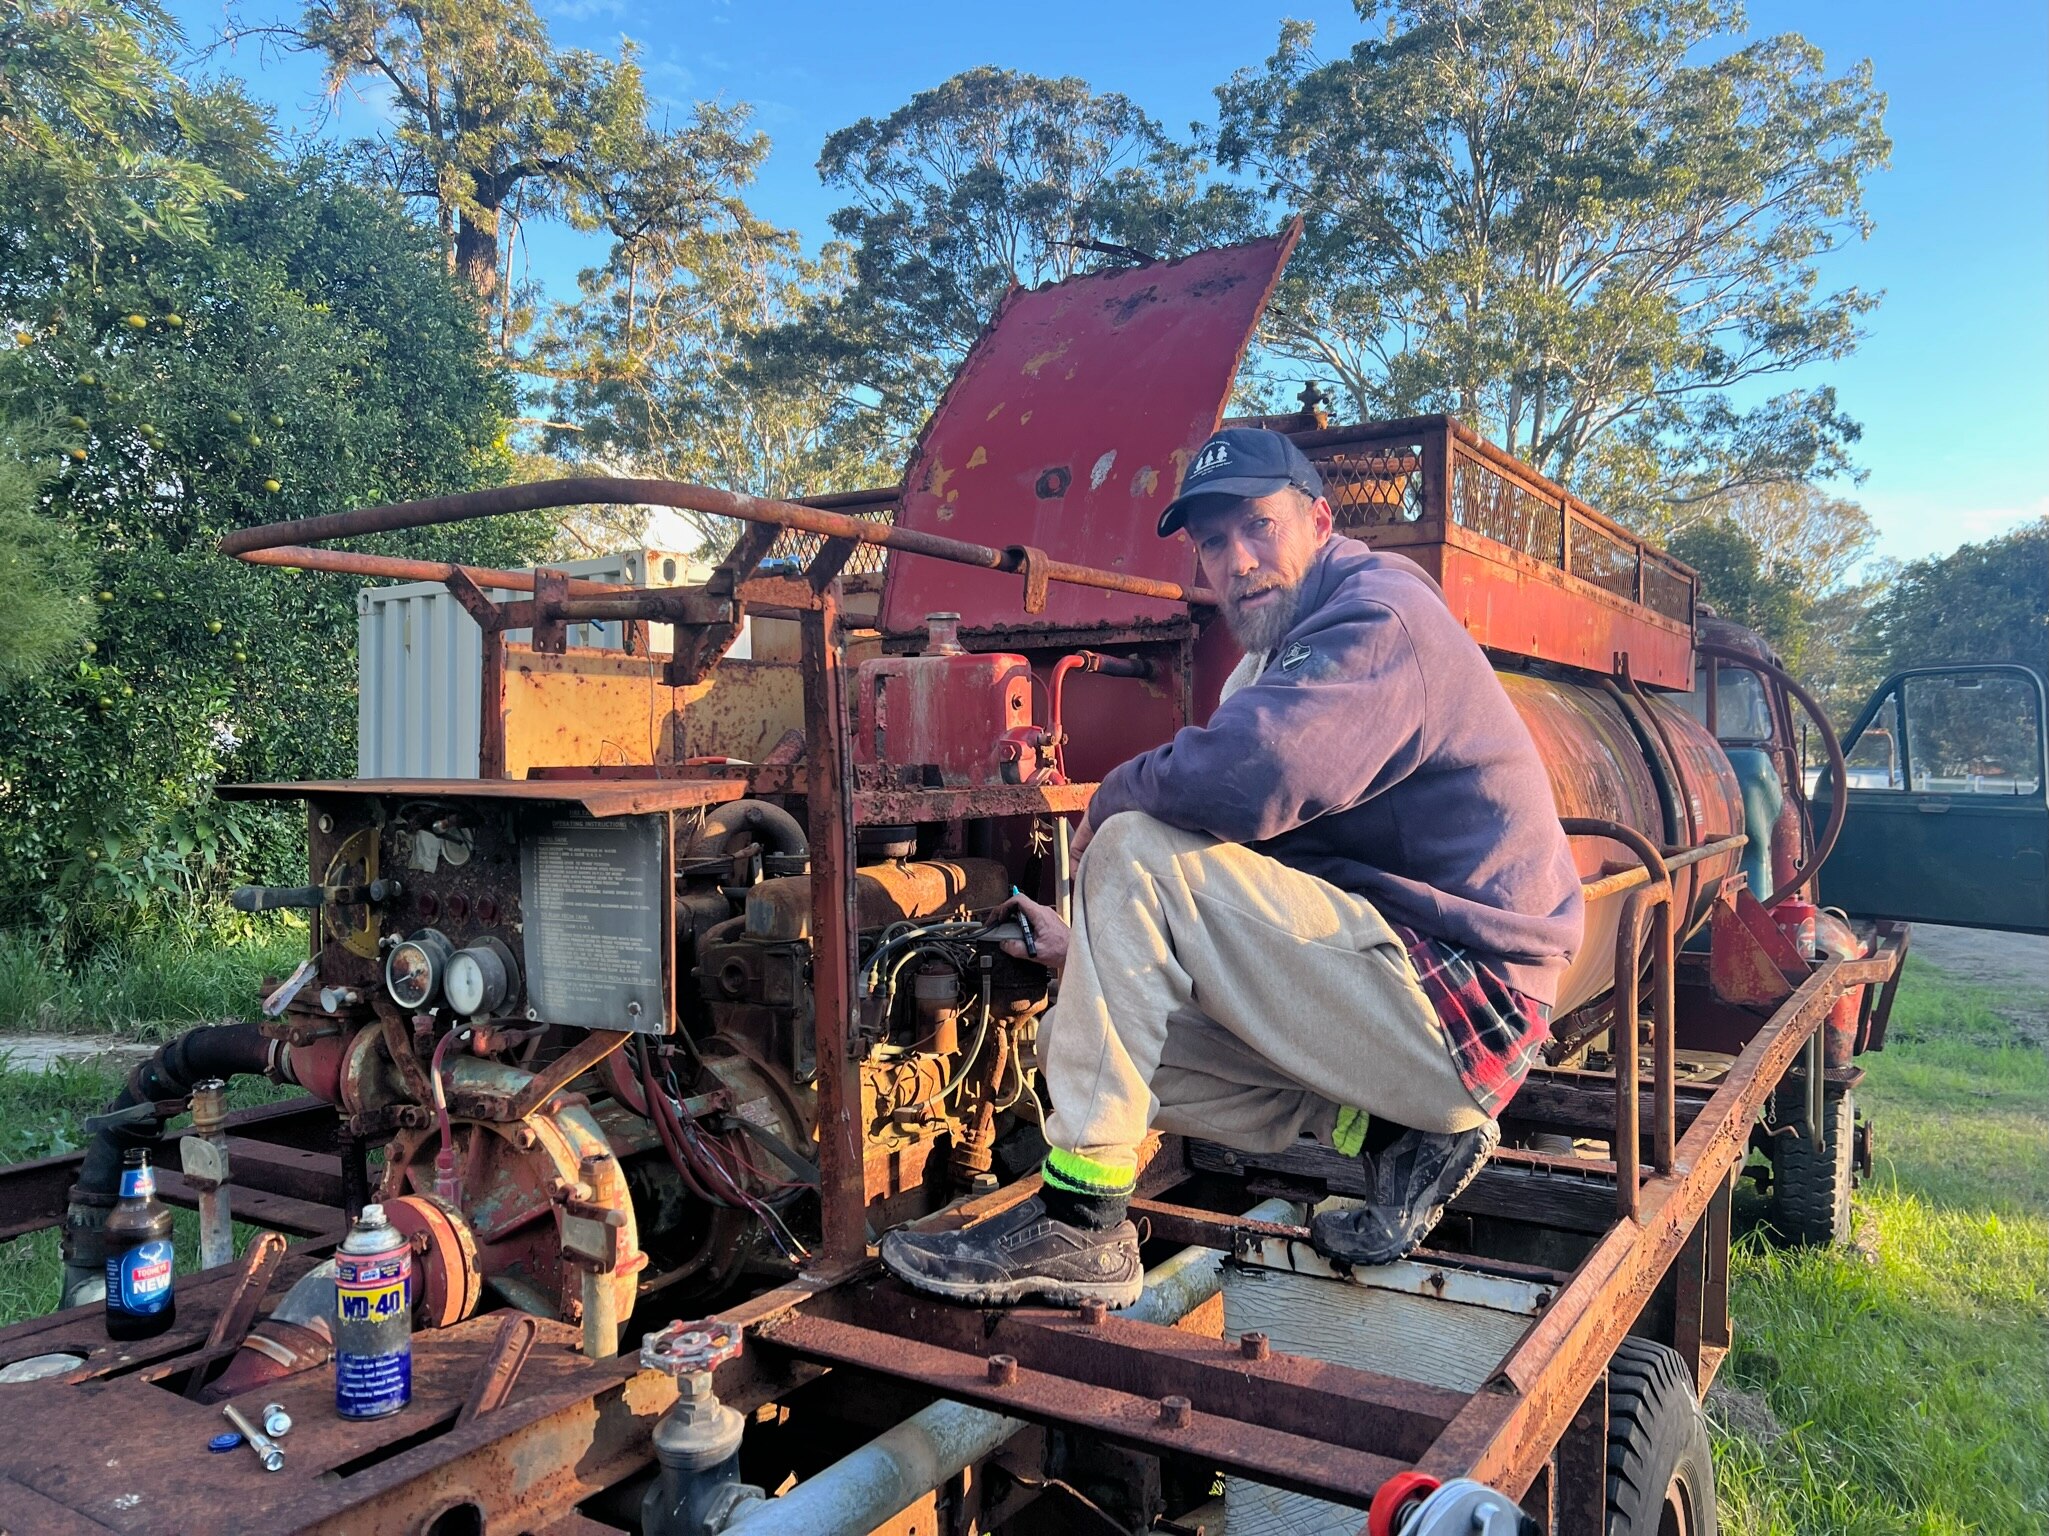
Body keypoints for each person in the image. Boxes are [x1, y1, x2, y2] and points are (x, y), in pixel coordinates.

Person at [881, 428, 1585, 1307]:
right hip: (1387, 1007)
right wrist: (1092, 953)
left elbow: (1260, 779)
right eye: (1213, 543)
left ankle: (1080, 1228)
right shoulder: (1269, 657)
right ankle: (1388, 1135)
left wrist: (1111, 799)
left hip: (1461, 1000)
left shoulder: (1379, 614)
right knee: (1087, 1038)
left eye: (1258, 526)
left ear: (1319, 519)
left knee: (1136, 842)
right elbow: (1237, 883)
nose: (1238, 560)